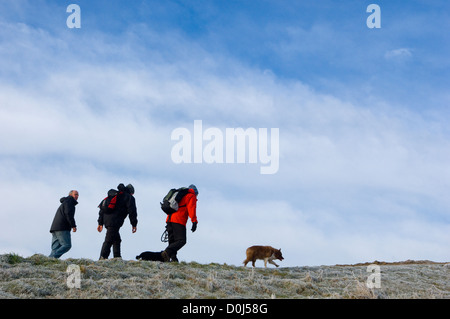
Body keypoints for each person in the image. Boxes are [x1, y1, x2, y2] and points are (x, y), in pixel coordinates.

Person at [97, 183, 137, 259]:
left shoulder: (114, 195)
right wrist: (134, 224)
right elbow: (132, 211)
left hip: (106, 220)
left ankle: (117, 257)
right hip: (115, 221)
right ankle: (102, 258)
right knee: (108, 240)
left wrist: (100, 223)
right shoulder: (129, 197)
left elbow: (102, 209)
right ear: (131, 192)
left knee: (116, 239)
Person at [162, 184, 198, 262]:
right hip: (179, 220)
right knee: (181, 240)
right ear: (195, 192)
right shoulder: (191, 195)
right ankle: (166, 253)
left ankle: (173, 259)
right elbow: (191, 208)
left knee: (172, 241)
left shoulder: (180, 194)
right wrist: (194, 221)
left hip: (169, 219)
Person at [49, 190, 79, 259]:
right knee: (67, 245)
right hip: (62, 227)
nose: (77, 196)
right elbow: (68, 213)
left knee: (55, 248)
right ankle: (52, 257)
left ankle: (49, 260)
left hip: (55, 227)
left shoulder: (65, 201)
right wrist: (73, 225)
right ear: (71, 195)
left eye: (78, 195)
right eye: (76, 194)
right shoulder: (69, 201)